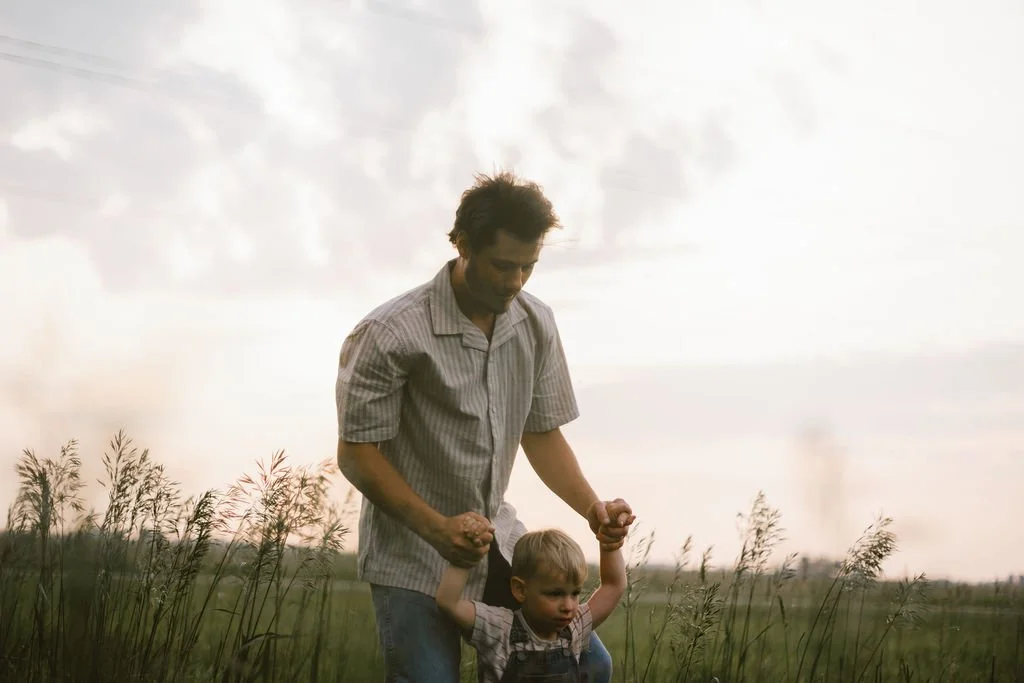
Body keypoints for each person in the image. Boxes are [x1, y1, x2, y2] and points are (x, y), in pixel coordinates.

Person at [335, 171, 635, 682]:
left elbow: (540, 433)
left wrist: (593, 509)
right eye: (502, 265)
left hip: (501, 545)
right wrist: (438, 530)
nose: (515, 281)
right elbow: (356, 454)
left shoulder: (535, 322)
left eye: (528, 266)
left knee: (589, 666)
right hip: (411, 555)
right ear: (463, 245)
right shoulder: (389, 333)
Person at [436, 517, 629, 682]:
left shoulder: (575, 627)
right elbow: (449, 603)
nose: (568, 606)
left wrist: (609, 541)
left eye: (575, 593)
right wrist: (465, 556)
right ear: (520, 589)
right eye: (555, 594)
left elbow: (613, 585)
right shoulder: (499, 627)